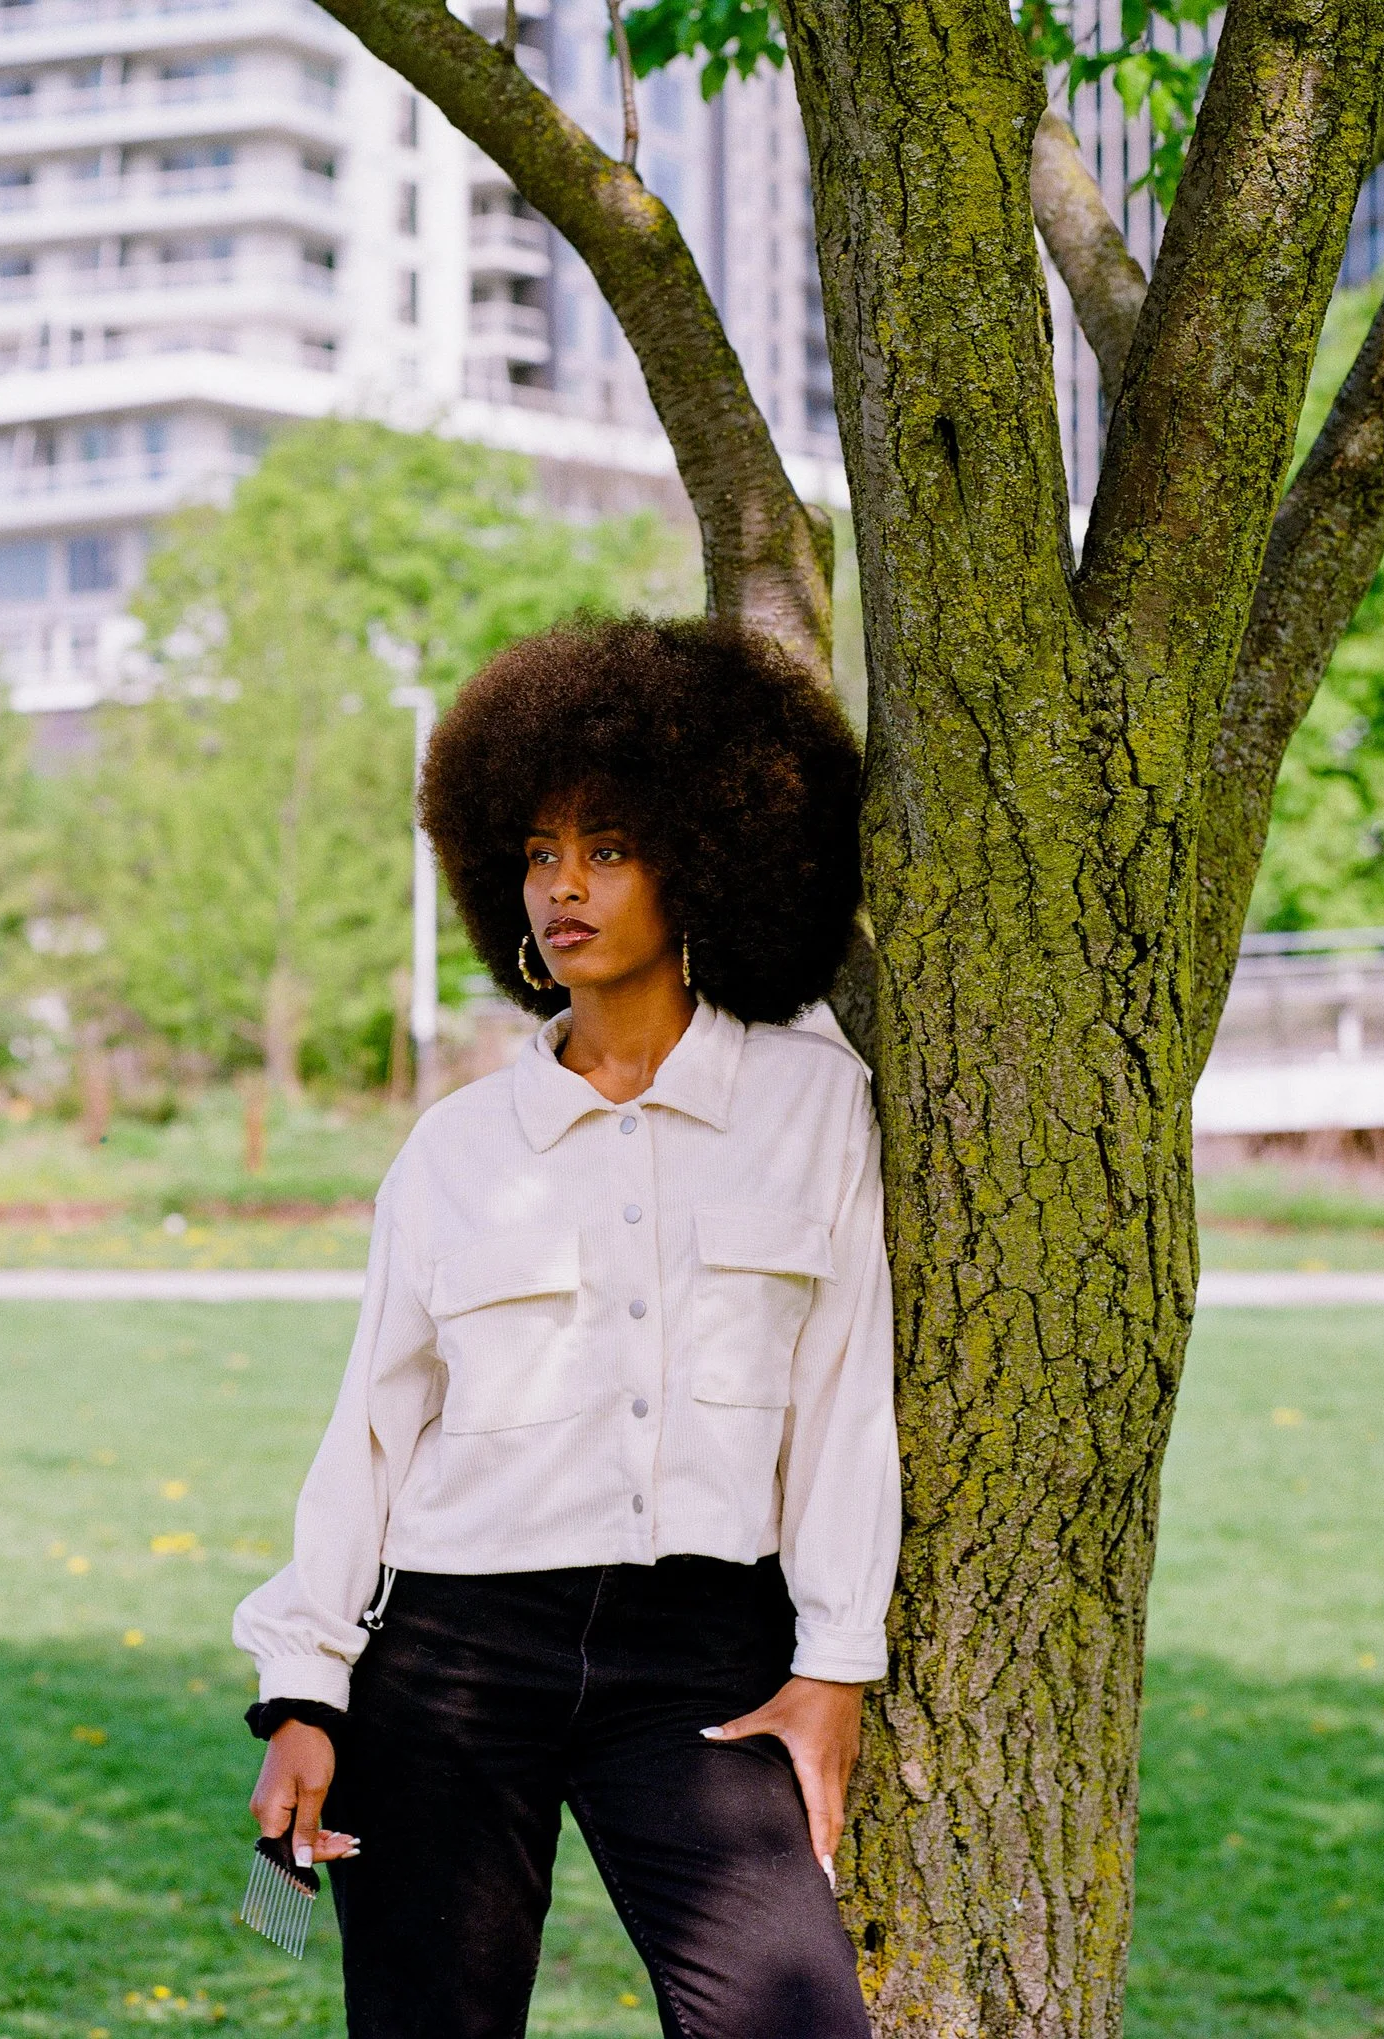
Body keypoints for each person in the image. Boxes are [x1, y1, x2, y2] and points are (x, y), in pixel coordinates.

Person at [233, 616, 899, 2038]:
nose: (565, 887)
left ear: (704, 857)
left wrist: (836, 1662)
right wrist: (305, 1690)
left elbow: (849, 1400)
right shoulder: (458, 1149)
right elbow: (372, 1427)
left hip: (703, 1653)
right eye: (539, 851)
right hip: (458, 1651)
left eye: (609, 845)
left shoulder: (815, 1109)